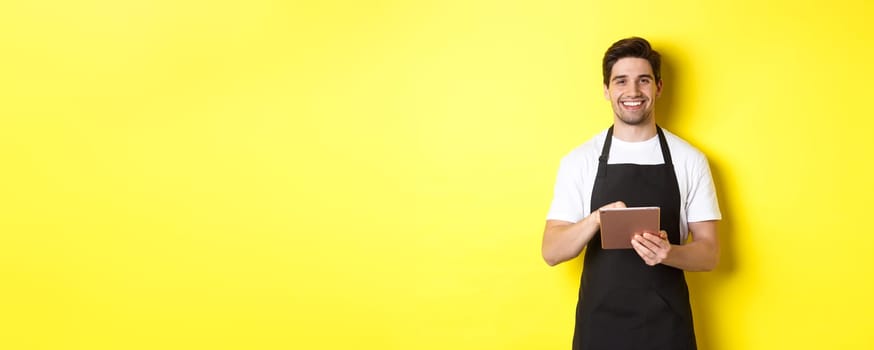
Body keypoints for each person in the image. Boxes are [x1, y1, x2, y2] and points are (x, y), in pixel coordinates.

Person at [541, 37, 722, 350]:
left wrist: (670, 253)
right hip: (600, 328)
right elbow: (552, 251)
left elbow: (710, 253)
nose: (633, 92)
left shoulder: (689, 159)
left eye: (644, 80)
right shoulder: (580, 161)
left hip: (668, 329)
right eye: (621, 81)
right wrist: (597, 219)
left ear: (659, 87)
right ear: (606, 90)